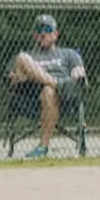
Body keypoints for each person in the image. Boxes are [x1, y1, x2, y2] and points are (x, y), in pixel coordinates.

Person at [8, 13, 87, 159]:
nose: (43, 33)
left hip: (63, 99)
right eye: (39, 30)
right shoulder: (29, 55)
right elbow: (12, 79)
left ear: (56, 33)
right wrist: (18, 77)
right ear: (34, 35)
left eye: (47, 29)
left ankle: (43, 146)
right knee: (23, 58)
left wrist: (77, 74)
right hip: (30, 98)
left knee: (49, 91)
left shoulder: (69, 54)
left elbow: (80, 75)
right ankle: (56, 84)